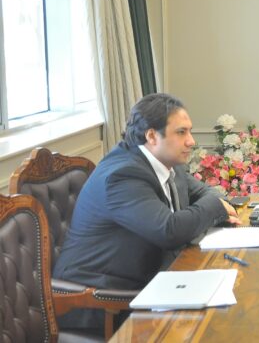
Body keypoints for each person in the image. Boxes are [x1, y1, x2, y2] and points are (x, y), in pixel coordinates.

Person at [54, 93, 240, 328]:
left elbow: (207, 193)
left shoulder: (166, 162)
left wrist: (216, 205)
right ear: (151, 136)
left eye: (190, 132)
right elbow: (169, 230)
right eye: (181, 132)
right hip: (100, 302)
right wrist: (216, 207)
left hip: (151, 280)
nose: (191, 141)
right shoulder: (122, 176)